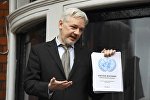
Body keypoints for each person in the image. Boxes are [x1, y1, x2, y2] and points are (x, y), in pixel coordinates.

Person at [23, 8, 115, 100]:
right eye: (74, 27)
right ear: (60, 24)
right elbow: (29, 85)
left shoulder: (88, 55)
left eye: (81, 29)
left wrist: (104, 63)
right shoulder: (39, 51)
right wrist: (49, 87)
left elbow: (95, 93)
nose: (77, 33)